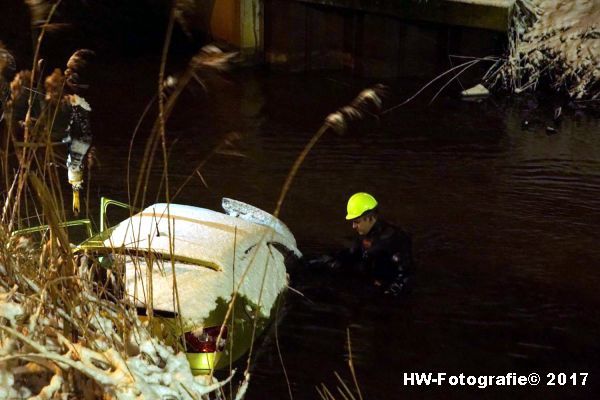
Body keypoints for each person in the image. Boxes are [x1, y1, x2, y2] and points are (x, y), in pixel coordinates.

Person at [318, 192, 414, 296]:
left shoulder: (393, 240)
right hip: (368, 280)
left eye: (357, 222)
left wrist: (388, 295)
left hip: (382, 291)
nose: (353, 226)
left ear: (370, 218)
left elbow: (405, 275)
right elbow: (352, 254)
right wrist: (325, 260)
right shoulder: (364, 234)